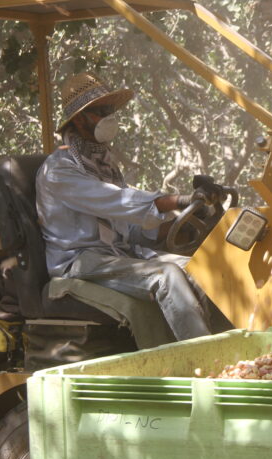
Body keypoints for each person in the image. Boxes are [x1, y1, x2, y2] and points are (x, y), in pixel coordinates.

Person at [36, 71, 219, 342]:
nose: (109, 117)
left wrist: (190, 221)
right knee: (166, 276)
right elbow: (119, 202)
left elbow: (130, 229)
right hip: (79, 263)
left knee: (200, 268)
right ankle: (205, 364)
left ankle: (234, 345)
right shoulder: (59, 171)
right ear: (78, 120)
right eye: (100, 111)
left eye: (110, 109)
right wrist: (181, 200)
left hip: (116, 254)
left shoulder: (104, 165)